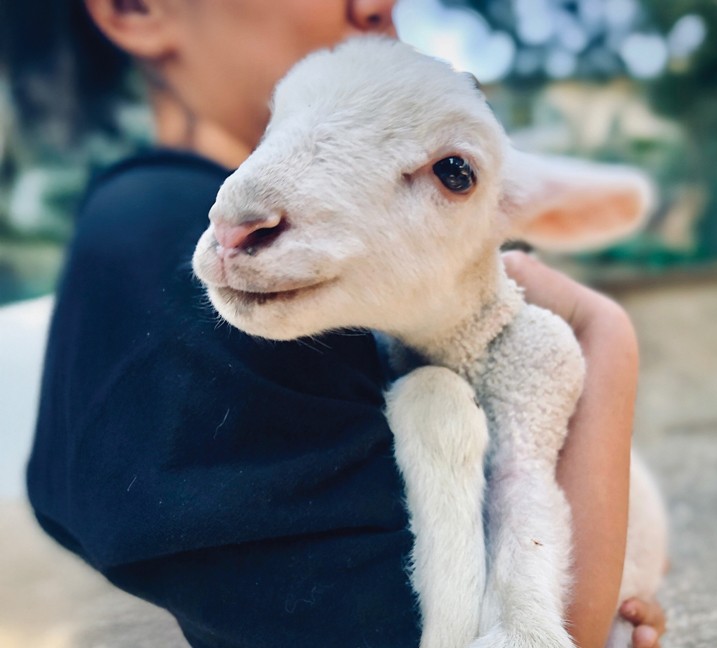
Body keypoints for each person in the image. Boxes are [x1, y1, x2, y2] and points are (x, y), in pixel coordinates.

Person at [5, 1, 666, 646]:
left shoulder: (287, 275)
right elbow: (402, 626)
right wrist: (605, 337)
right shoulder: (160, 234)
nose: (380, 5)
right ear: (134, 9)